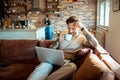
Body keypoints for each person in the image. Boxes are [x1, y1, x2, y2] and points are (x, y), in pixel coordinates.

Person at [27, 16, 89, 80]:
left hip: (67, 62)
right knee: (44, 64)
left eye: (73, 28)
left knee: (73, 67)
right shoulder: (63, 33)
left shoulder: (82, 38)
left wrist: (83, 29)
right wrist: (54, 46)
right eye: (69, 28)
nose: (70, 31)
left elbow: (96, 44)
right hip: (55, 59)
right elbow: (55, 45)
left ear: (78, 27)